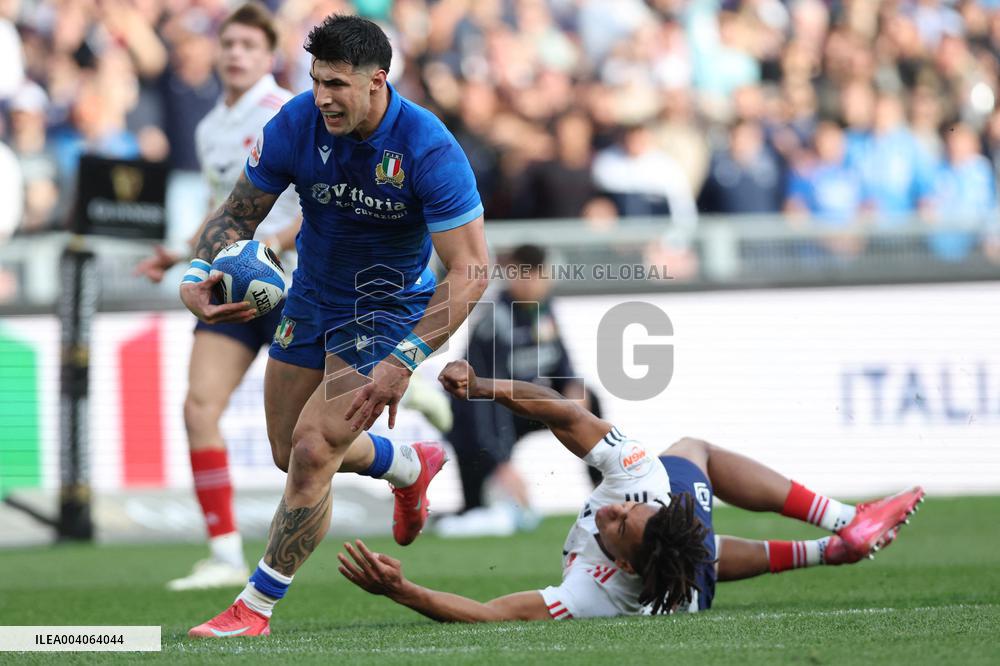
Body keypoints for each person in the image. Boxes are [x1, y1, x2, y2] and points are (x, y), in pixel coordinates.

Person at [181, 14, 489, 637]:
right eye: (318, 81)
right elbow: (238, 214)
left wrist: (403, 359)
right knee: (285, 448)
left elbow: (472, 271)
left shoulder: (428, 147)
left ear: (378, 81)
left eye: (338, 85)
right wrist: (195, 271)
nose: (323, 97)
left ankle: (255, 607)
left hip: (386, 310)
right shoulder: (295, 122)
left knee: (314, 448)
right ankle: (407, 465)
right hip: (311, 299)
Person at [337, 359, 924, 621]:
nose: (614, 509)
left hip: (682, 591)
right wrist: (484, 386)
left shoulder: (599, 594)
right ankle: (840, 529)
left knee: (699, 504)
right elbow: (566, 414)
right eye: (625, 511)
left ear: (619, 562)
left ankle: (839, 537)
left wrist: (403, 590)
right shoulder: (645, 487)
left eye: (618, 524)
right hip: (688, 574)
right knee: (693, 456)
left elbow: (492, 615)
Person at [135, 3, 301, 591]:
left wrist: (275, 243)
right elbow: (225, 212)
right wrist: (178, 252)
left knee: (303, 439)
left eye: (248, 46)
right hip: (230, 285)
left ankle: (403, 460)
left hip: (291, 286)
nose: (234, 54)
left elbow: (320, 200)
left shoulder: (287, 110)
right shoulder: (209, 127)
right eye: (228, 43)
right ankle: (224, 553)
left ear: (268, 56)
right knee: (197, 407)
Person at [436, 244, 595, 537]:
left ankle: (605, 485)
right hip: (472, 420)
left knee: (590, 398)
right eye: (526, 275)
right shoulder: (495, 323)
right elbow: (482, 398)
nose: (533, 282)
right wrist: (502, 463)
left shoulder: (544, 310)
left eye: (539, 275)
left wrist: (573, 388)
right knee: (477, 510)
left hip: (518, 411)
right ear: (512, 275)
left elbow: (560, 362)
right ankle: (464, 511)